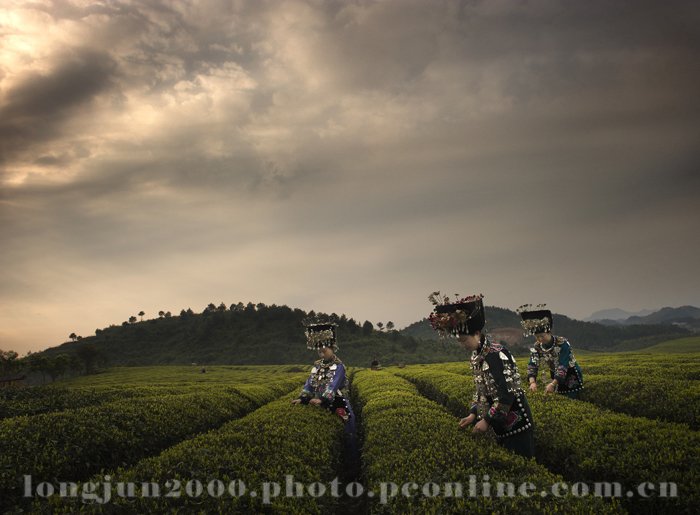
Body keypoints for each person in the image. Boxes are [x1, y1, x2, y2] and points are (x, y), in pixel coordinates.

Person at [428, 292, 535, 459]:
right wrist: (473, 414)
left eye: (464, 340)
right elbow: (481, 390)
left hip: (516, 424)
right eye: (459, 341)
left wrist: (486, 420)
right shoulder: (476, 356)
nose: (462, 345)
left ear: (477, 334)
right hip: (499, 424)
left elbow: (507, 393)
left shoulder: (497, 354)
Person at [291, 318, 359, 477]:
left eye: (324, 350)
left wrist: (322, 399)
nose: (321, 353)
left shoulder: (340, 366)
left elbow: (334, 385)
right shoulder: (316, 366)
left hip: (336, 400)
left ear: (332, 348)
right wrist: (302, 398)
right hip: (317, 399)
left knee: (349, 421)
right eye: (319, 351)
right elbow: (309, 383)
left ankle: (352, 464)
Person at [518, 305, 584, 399]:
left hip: (570, 375)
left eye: (542, 336)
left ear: (549, 332)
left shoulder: (562, 343)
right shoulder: (537, 346)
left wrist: (553, 384)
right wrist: (532, 382)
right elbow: (533, 364)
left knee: (570, 398)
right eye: (537, 337)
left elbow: (563, 365)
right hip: (555, 375)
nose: (539, 339)